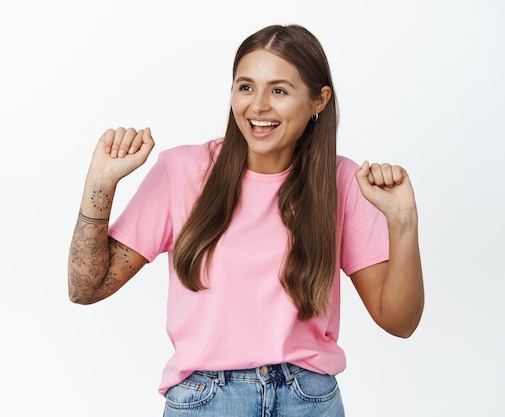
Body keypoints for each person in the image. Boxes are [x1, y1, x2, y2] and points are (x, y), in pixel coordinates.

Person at [68, 24, 424, 417]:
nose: (257, 106)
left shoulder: (340, 182)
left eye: (279, 90)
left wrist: (402, 222)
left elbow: (399, 322)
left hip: (308, 400)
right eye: (246, 87)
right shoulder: (182, 172)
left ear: (318, 100)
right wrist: (100, 185)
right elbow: (87, 288)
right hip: (205, 401)